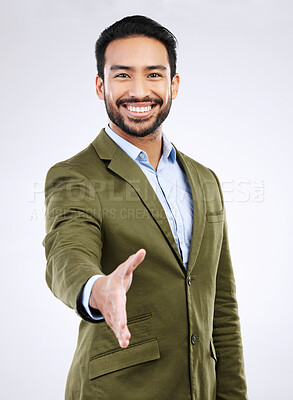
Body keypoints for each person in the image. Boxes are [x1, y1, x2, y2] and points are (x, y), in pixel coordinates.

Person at [43, 15, 248, 400]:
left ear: (173, 84)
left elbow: (221, 304)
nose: (139, 91)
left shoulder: (206, 179)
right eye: (122, 76)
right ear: (101, 85)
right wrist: (97, 289)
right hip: (118, 390)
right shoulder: (75, 176)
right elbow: (66, 251)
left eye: (154, 75)